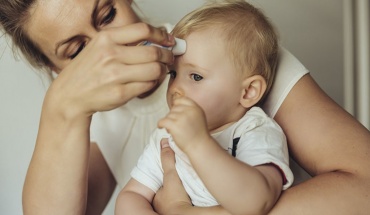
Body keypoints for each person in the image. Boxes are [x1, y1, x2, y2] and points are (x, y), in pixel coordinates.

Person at [0, 0, 369, 214]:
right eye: (78, 52)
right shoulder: (94, 121)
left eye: (108, 14)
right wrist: (61, 109)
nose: (107, 52)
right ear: (56, 70)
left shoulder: (231, 52)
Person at [115, 1, 293, 214]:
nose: (176, 88)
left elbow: (257, 202)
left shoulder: (254, 130)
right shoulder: (166, 136)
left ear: (248, 92)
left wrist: (198, 143)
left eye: (196, 76)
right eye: (173, 74)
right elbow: (132, 195)